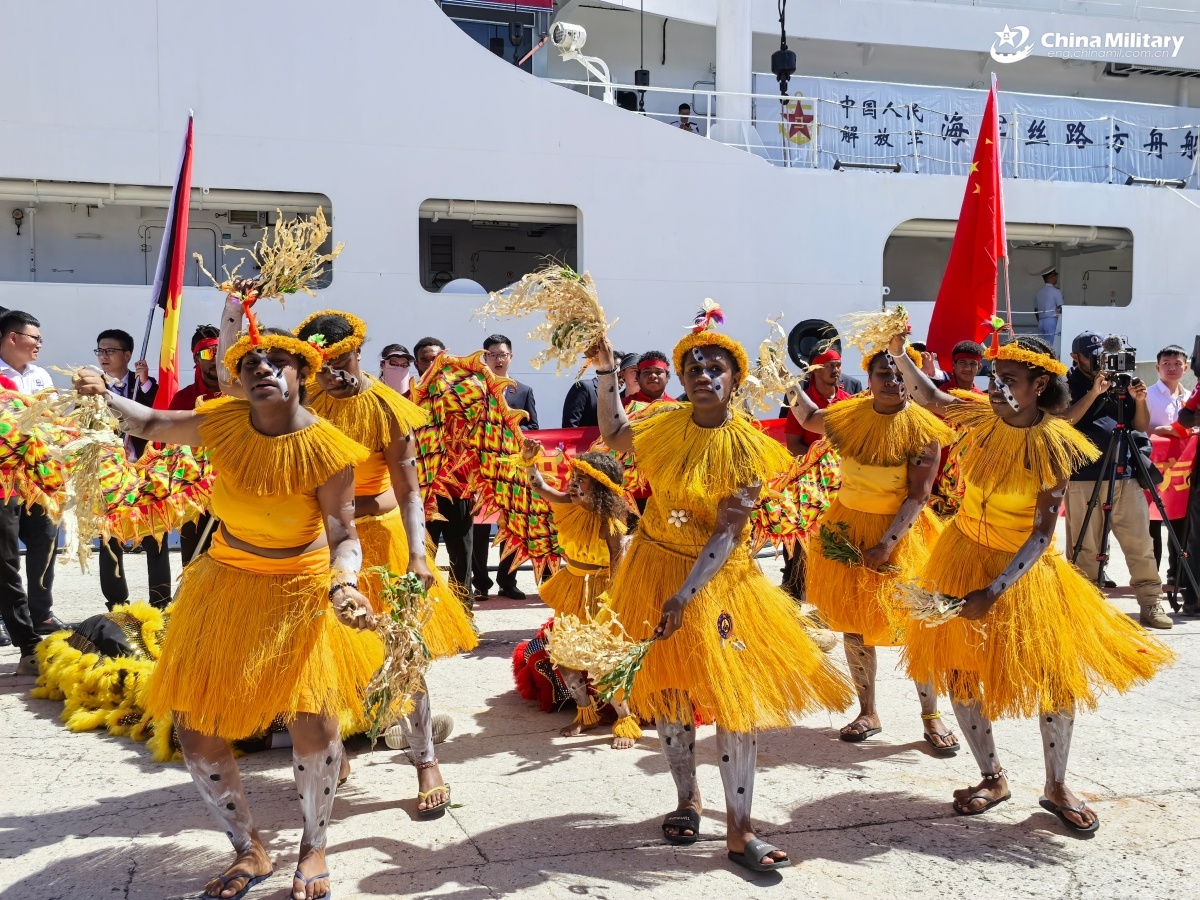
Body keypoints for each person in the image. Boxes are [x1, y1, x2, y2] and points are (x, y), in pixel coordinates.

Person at [72, 298, 377, 900]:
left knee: (313, 721)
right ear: (239, 377)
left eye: (279, 361)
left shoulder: (330, 450)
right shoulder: (221, 420)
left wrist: (345, 584)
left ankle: (314, 849)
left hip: (300, 588)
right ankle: (249, 849)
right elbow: (152, 424)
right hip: (226, 582)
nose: (264, 368)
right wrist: (100, 392)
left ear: (301, 375)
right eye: (253, 361)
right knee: (196, 725)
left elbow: (344, 534)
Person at [588, 313, 851, 873]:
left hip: (717, 584)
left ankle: (740, 828)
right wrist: (608, 370)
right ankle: (687, 798)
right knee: (672, 694)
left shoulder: (748, 450)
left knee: (736, 704)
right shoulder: (662, 424)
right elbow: (613, 434)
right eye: (694, 367)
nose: (704, 374)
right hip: (652, 569)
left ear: (736, 378)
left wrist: (683, 596)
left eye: (717, 367)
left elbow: (729, 533)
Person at [890, 332, 1173, 834]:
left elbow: (1043, 534)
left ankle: (1057, 784)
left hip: (1021, 574)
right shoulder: (978, 416)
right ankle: (991, 775)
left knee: (1053, 680)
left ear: (1040, 384)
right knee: (959, 672)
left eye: (1009, 380)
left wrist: (993, 591)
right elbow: (931, 397)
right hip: (960, 557)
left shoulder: (1056, 445)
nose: (995, 388)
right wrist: (897, 355)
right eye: (992, 378)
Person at [296, 310, 478, 818]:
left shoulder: (389, 408)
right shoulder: (302, 402)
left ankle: (425, 761)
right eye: (324, 365)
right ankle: (337, 748)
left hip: (381, 543)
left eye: (343, 361)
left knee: (403, 653)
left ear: (360, 353)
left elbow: (409, 489)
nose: (335, 374)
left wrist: (419, 554)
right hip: (316, 545)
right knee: (325, 652)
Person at [789, 341, 959, 752]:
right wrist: (788, 384)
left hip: (900, 535)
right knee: (853, 623)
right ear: (869, 379)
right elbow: (810, 418)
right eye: (885, 374)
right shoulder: (849, 416)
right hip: (846, 530)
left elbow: (918, 495)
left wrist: (886, 544)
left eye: (901, 375)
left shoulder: (924, 428)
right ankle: (867, 711)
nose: (894, 382)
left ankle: (931, 716)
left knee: (917, 625)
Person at [517, 440, 639, 748]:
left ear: (598, 486)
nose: (573, 484)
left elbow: (617, 561)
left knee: (605, 655)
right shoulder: (567, 503)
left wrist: (615, 600)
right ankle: (586, 712)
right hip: (571, 585)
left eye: (581, 480)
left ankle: (624, 718)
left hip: (600, 591)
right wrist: (530, 462)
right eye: (574, 477)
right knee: (565, 654)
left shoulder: (612, 518)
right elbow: (539, 487)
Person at [1062, 331, 1172, 629]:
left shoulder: (1118, 381)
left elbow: (1139, 425)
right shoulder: (1066, 384)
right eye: (1092, 355)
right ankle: (1088, 609)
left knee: (1140, 543)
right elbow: (1063, 422)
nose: (1100, 361)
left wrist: (1138, 400)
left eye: (1102, 355)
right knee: (1086, 547)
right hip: (1084, 477)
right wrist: (1094, 393)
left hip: (1124, 476)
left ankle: (1151, 602)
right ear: (1076, 357)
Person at [93, 328, 172, 609]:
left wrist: (145, 381)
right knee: (110, 535)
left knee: (155, 531)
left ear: (127, 355)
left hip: (144, 469)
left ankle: (161, 600)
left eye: (110, 350)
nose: (103, 356)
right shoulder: (94, 386)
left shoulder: (143, 385)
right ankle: (116, 602)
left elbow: (158, 410)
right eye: (100, 350)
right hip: (109, 472)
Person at [0, 310, 62, 647]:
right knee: (5, 555)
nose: (40, 343)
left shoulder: (40, 375)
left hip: (39, 478)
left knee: (46, 543)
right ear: (13, 337)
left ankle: (42, 613)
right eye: (34, 337)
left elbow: (52, 420)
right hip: (4, 479)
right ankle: (13, 624)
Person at [779, 348, 853, 600]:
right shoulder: (800, 403)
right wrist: (822, 466)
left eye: (838, 365)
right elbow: (793, 444)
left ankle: (830, 599)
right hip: (809, 485)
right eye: (830, 365)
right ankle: (793, 596)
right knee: (800, 544)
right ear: (814, 370)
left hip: (843, 485)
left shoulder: (847, 400)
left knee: (837, 538)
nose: (836, 370)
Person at [472, 335, 538, 600]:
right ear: (484, 358)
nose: (497, 360)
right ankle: (479, 582)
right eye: (492, 355)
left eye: (502, 355)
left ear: (511, 357)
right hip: (481, 471)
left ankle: (507, 581)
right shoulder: (475, 388)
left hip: (511, 471)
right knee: (477, 526)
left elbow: (534, 429)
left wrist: (507, 431)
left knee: (510, 526)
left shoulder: (522, 391)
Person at [413, 337, 475, 601]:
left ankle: (463, 609)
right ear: (416, 363)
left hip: (458, 487)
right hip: (420, 491)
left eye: (436, 358)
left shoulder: (466, 395)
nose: (431, 363)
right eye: (425, 359)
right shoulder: (406, 397)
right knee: (422, 554)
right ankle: (421, 610)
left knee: (461, 556)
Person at [169, 325, 223, 564]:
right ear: (195, 358)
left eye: (220, 352)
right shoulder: (182, 399)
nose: (214, 361)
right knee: (193, 561)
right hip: (192, 495)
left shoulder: (243, 396)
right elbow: (168, 446)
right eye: (207, 354)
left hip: (235, 492)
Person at [1146, 345, 1192, 586]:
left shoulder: (1189, 397)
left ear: (1185, 368)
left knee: (1180, 523)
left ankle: (1177, 574)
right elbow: (1140, 427)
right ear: (1157, 367)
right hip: (1155, 470)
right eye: (1166, 363)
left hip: (1182, 472)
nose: (1172, 368)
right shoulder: (1148, 395)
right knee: (1152, 523)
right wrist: (1166, 430)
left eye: (1177, 363)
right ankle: (1150, 576)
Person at [1035, 267, 1063, 354]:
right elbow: (1061, 307)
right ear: (1051, 277)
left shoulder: (1039, 292)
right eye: (1055, 276)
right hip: (1051, 320)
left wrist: (1040, 320)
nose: (1056, 278)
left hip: (1041, 321)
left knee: (1041, 346)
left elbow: (1036, 309)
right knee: (1051, 345)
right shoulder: (1056, 291)